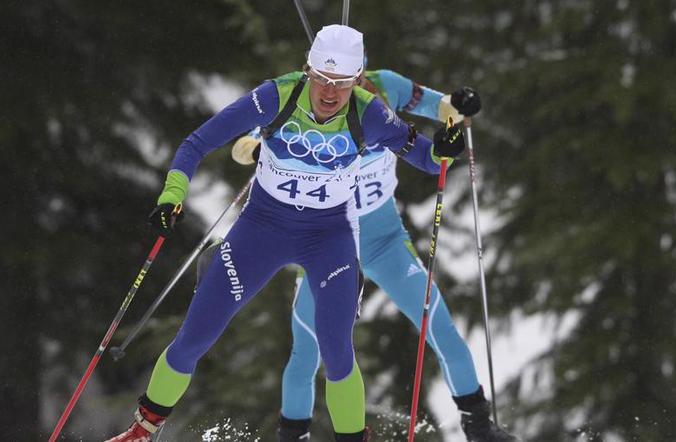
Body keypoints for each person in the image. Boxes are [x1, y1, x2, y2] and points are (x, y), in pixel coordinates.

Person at [104, 24, 470, 442]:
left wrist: (446, 148)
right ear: (306, 71)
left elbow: (426, 157)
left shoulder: (369, 111)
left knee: (336, 353)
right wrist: (172, 195)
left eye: (342, 84)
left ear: (357, 81)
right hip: (261, 229)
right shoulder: (276, 96)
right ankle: (141, 431)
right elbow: (196, 143)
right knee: (194, 336)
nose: (330, 93)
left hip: (328, 237)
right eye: (322, 80)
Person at [231, 64, 519, 441]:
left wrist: (460, 104)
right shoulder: (303, 99)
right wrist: (260, 151)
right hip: (326, 248)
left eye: (357, 77)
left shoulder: (387, 87)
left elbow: (443, 108)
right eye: (342, 80)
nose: (353, 87)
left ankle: (479, 428)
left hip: (384, 241)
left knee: (439, 325)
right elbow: (242, 146)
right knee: (306, 351)